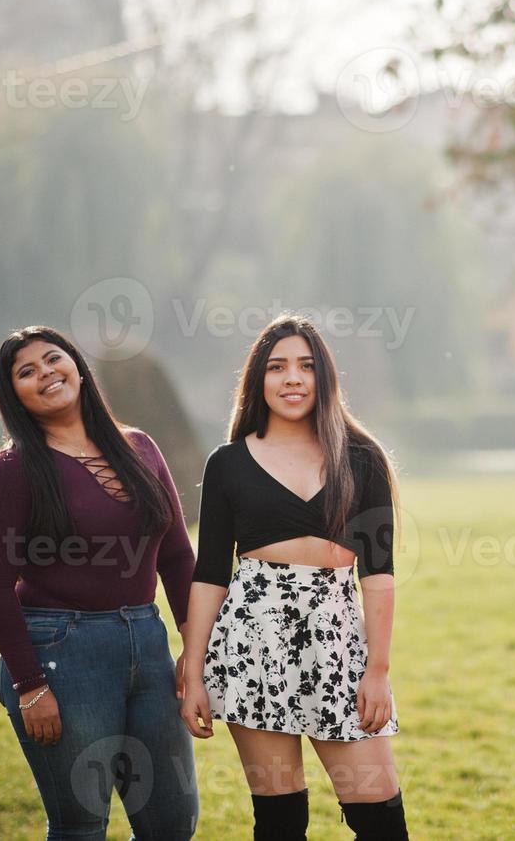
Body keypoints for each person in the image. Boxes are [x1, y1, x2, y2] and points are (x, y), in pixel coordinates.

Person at [177, 315, 407, 840]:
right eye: (277, 367)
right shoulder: (228, 464)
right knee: (280, 821)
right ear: (259, 380)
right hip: (251, 642)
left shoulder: (361, 458)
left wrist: (378, 669)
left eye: (306, 366)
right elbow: (210, 573)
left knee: (381, 817)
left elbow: (379, 573)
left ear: (324, 378)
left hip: (337, 642)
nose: (293, 379)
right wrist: (193, 671)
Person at [0, 325, 199, 840]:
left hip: (147, 642)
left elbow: (178, 554)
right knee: (81, 826)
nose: (45, 374)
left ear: (77, 366)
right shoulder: (13, 469)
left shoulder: (139, 447)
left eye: (53, 359)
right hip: (61, 654)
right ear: (16, 396)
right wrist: (31, 686)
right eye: (26, 372)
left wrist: (194, 644)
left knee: (172, 821)